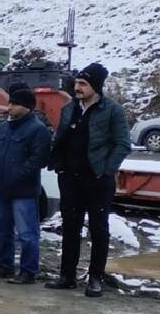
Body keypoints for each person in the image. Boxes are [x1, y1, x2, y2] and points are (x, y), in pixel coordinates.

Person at [45, 62, 131, 297]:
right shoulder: (69, 108)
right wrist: (58, 164)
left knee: (98, 228)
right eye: (77, 83)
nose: (78, 87)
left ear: (96, 86)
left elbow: (123, 143)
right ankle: (67, 275)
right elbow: (60, 136)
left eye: (83, 84)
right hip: (70, 178)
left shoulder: (112, 110)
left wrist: (106, 170)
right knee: (70, 227)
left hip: (97, 179)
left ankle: (95, 277)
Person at [0, 86, 52, 284]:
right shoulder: (3, 127)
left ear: (27, 107)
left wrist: (19, 175)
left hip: (24, 191)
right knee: (1, 230)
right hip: (1, 188)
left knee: (27, 233)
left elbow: (39, 159)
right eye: (9, 102)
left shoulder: (38, 130)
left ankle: (28, 271)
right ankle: (5, 266)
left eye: (14, 103)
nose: (9, 106)